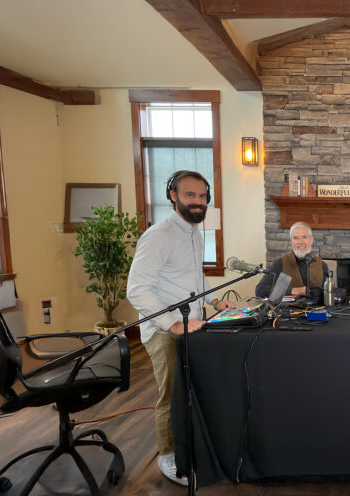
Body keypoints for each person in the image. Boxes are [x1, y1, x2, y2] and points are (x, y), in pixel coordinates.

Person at [127, 170, 235, 486]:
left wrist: (215, 302)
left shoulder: (193, 232)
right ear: (173, 195)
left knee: (189, 393)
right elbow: (137, 289)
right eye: (190, 195)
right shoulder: (158, 235)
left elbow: (195, 277)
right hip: (165, 332)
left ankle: (189, 448)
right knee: (170, 397)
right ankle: (169, 458)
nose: (198, 202)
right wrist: (171, 323)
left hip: (193, 326)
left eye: (202, 196)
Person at [255, 221, 329, 302]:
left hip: (316, 312)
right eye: (296, 238)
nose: (300, 242)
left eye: (304, 237)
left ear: (311, 240)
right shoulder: (280, 264)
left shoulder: (322, 265)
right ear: (291, 242)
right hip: (289, 312)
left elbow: (328, 294)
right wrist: (296, 290)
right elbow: (260, 290)